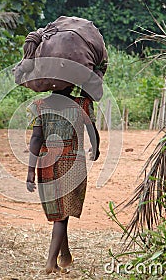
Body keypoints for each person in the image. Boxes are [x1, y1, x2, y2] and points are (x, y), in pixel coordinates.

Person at [26, 85, 100, 274]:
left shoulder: (39, 106)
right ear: (73, 82)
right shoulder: (81, 104)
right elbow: (92, 131)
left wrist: (30, 171)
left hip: (46, 163)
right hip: (72, 163)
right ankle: (51, 262)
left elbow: (35, 139)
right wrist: (95, 147)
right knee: (62, 215)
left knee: (60, 211)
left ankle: (64, 255)